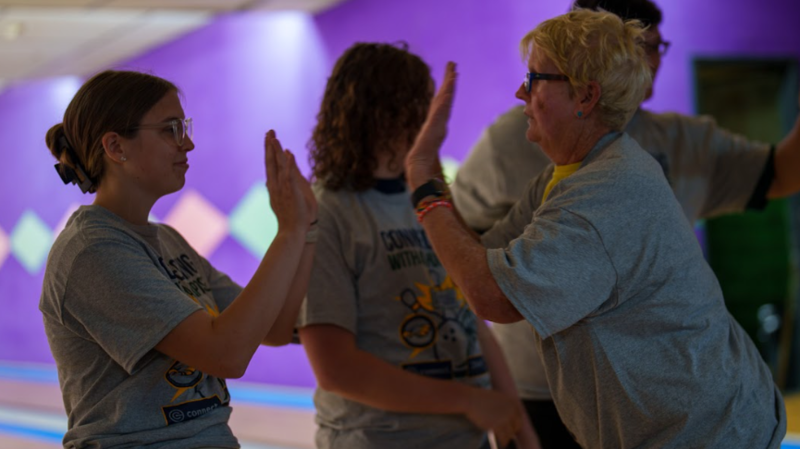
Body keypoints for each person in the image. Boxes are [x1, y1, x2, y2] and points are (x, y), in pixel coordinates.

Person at [404, 9, 786, 448]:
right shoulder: (569, 176)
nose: (519, 92)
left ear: (585, 97)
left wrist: (423, 182)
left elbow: (491, 296)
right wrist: (429, 176)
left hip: (712, 435)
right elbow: (478, 258)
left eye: (534, 80)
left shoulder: (603, 196)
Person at [41, 70, 316, 448]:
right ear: (116, 147)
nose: (187, 144)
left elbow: (275, 327)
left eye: (183, 127)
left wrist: (306, 228)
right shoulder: (93, 252)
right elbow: (227, 354)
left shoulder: (168, 241)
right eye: (171, 129)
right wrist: (288, 232)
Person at [293, 42, 539, 449]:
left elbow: (471, 316)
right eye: (421, 104)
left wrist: (519, 428)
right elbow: (336, 369)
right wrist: (470, 400)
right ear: (378, 112)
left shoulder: (430, 201)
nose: (433, 118)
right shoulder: (328, 212)